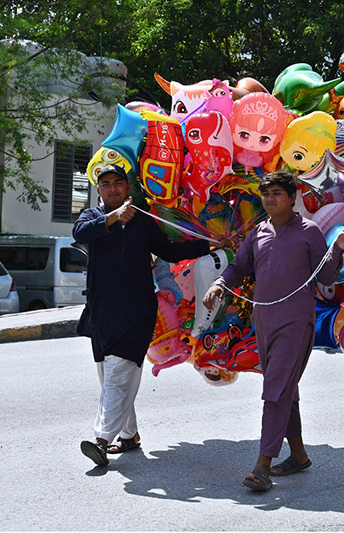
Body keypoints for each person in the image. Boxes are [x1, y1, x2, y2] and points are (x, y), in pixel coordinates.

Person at [202, 171, 344, 492]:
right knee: (284, 388)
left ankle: (262, 465)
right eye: (266, 194)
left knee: (275, 388)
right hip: (264, 319)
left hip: (295, 320)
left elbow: (326, 277)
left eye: (277, 193)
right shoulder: (258, 232)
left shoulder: (309, 231)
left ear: (292, 198)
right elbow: (238, 266)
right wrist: (220, 284)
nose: (269, 199)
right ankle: (299, 456)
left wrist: (338, 248)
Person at [73, 164, 211, 467]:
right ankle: (129, 435)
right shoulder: (91, 217)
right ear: (99, 190)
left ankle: (101, 440)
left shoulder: (143, 220)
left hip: (137, 310)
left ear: (127, 187)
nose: (112, 188)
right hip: (101, 312)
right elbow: (80, 233)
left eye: (118, 182)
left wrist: (208, 245)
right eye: (106, 184)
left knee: (118, 373)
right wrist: (114, 217)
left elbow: (169, 251)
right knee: (110, 376)